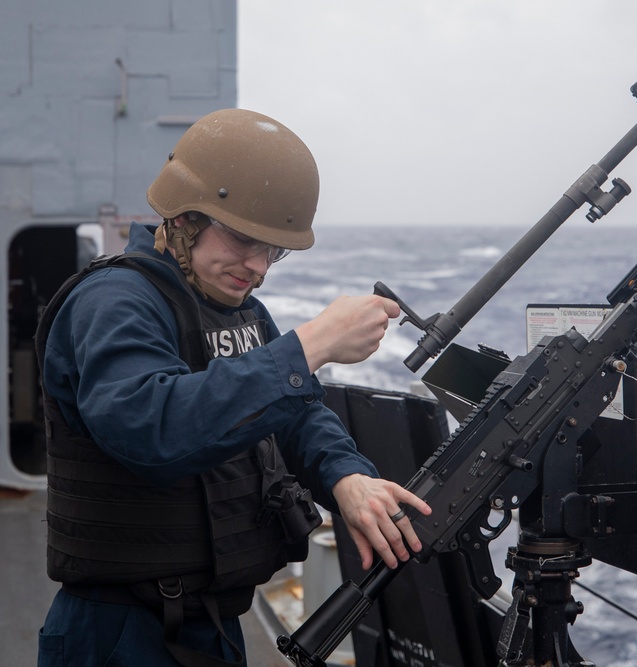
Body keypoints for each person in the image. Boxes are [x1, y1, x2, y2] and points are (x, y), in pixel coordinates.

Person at [35, 108, 431, 666]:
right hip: (121, 633)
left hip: (212, 625)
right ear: (185, 217)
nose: (258, 266)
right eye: (244, 239)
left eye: (273, 250)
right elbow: (151, 427)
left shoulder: (238, 310)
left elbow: (296, 410)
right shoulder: (114, 301)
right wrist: (311, 343)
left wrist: (347, 477)